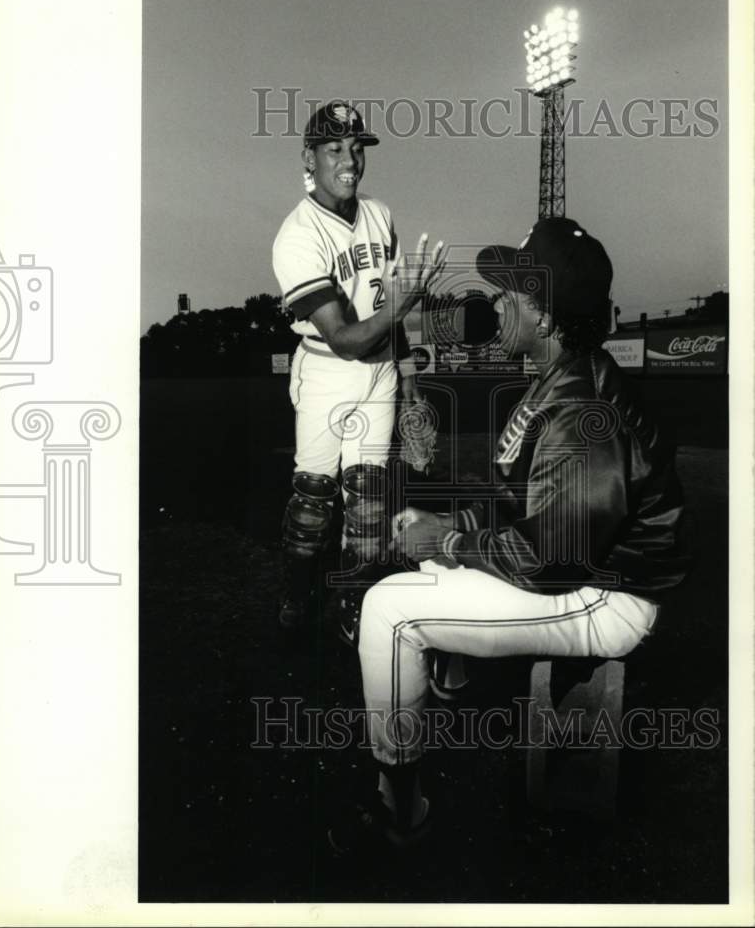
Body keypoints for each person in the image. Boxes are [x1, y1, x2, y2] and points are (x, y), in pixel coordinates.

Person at [327, 217, 690, 853]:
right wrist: (452, 529)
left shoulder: (582, 411)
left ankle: (400, 809)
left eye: (510, 292)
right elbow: (526, 510)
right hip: (587, 569)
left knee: (390, 610)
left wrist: (447, 539)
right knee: (429, 570)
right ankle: (452, 687)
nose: (495, 302)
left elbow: (550, 559)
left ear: (546, 317)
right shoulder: (558, 379)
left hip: (615, 596)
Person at [272, 99, 442, 636]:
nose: (349, 160)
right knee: (314, 504)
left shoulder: (379, 214)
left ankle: (353, 602)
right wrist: (406, 301)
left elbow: (389, 318)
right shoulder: (297, 236)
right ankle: (297, 595)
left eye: (355, 148)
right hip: (327, 372)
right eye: (333, 148)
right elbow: (344, 340)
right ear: (309, 157)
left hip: (382, 373)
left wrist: (410, 385)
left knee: (368, 500)